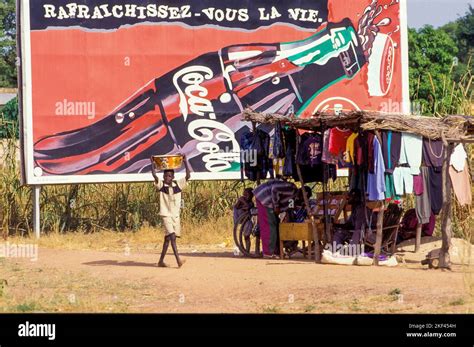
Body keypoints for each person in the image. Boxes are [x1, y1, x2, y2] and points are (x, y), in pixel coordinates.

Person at [150, 154, 191, 268]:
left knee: (168, 239)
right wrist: (152, 163)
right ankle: (178, 260)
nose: (167, 178)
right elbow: (154, 175)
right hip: (166, 214)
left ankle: (161, 261)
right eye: (165, 175)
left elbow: (188, 175)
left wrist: (185, 161)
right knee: (172, 236)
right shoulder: (161, 185)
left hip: (175, 216)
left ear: (172, 177)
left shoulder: (178, 185)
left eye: (169, 176)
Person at [253, 176, 298, 258]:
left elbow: (287, 208)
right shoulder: (291, 189)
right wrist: (276, 206)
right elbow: (275, 189)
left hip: (269, 201)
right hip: (264, 198)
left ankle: (276, 251)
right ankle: (268, 253)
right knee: (270, 226)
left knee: (276, 225)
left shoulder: (293, 196)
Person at [233, 188, 255, 252]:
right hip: (239, 222)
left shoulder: (251, 203)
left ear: (251, 196)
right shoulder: (240, 202)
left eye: (247, 195)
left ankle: (247, 251)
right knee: (238, 237)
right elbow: (236, 207)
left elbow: (248, 207)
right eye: (244, 194)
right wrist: (240, 200)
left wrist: (243, 201)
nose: (245, 196)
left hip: (247, 222)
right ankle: (241, 250)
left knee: (246, 237)